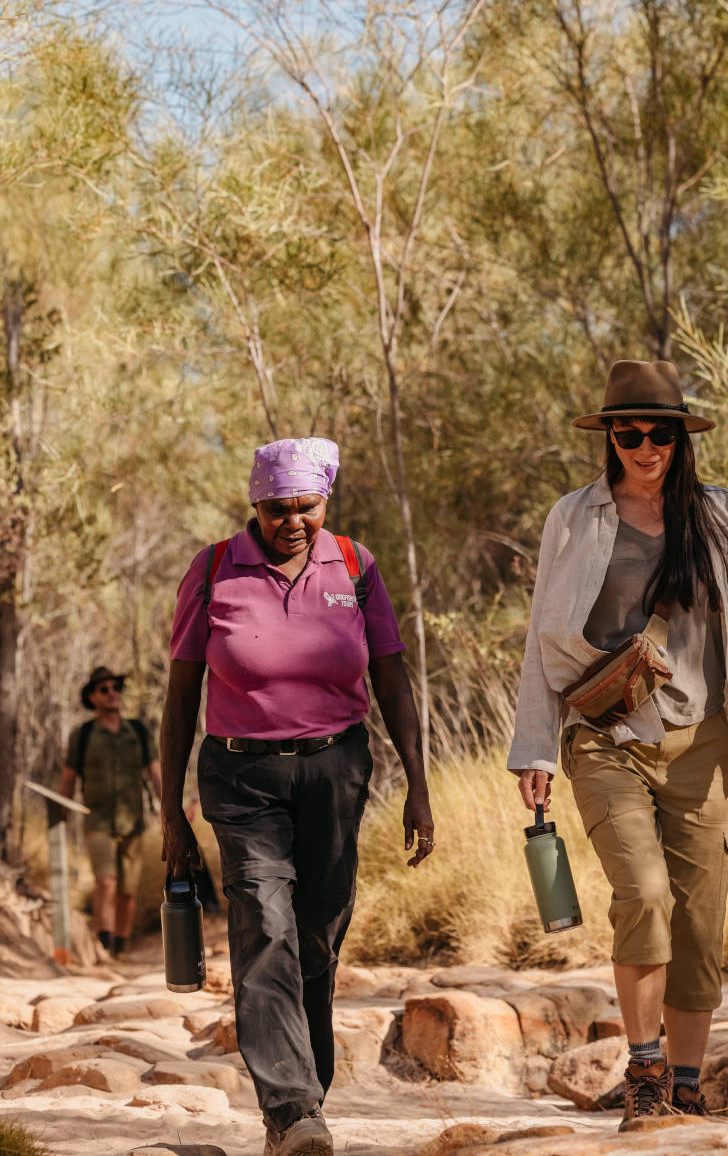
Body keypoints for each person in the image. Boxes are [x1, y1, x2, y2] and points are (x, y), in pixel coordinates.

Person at [507, 361, 728, 1126]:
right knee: (642, 893)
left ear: (681, 438)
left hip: (704, 739)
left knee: (697, 917)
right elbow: (541, 639)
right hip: (605, 736)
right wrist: (535, 749)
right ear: (608, 436)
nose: (644, 446)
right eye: (628, 432)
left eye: (659, 433)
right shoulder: (575, 518)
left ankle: (685, 1082)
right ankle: (645, 1070)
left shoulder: (720, 517)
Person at [161, 437, 434, 1156]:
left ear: (324, 501)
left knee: (317, 933)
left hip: (335, 771)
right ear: (255, 505)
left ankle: (307, 1091)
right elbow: (181, 695)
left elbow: (392, 677)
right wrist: (171, 815)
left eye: (306, 507)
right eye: (277, 508)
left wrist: (418, 783)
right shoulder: (216, 568)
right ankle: (289, 1109)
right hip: (240, 776)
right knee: (265, 925)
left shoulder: (353, 564)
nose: (292, 522)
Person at [60, 664, 162, 958]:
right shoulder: (83, 734)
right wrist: (60, 821)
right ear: (92, 697)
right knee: (106, 881)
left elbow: (155, 773)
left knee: (127, 889)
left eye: (116, 687)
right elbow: (68, 778)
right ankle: (102, 945)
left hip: (133, 821)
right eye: (104, 689)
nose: (112, 693)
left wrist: (169, 807)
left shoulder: (139, 731)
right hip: (98, 820)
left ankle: (120, 947)